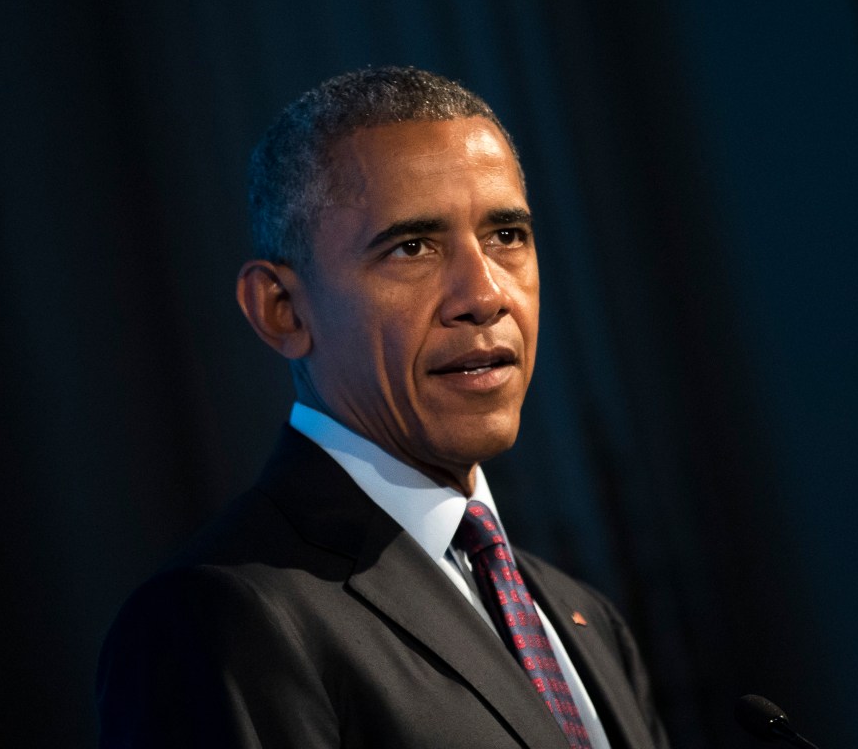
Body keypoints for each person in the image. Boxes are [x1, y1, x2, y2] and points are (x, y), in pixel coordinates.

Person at [96, 66, 672, 749]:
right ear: (282, 310)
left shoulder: (586, 620)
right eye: (413, 247)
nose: (485, 294)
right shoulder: (220, 619)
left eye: (506, 236)